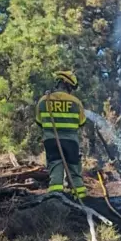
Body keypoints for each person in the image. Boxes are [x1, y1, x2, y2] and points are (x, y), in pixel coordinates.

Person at [35, 70, 88, 199]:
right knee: (74, 168)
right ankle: (80, 197)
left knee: (55, 166)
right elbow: (82, 122)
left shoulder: (43, 100)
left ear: (57, 83)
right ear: (68, 85)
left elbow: (39, 121)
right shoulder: (75, 102)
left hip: (51, 140)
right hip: (71, 141)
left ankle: (56, 196)